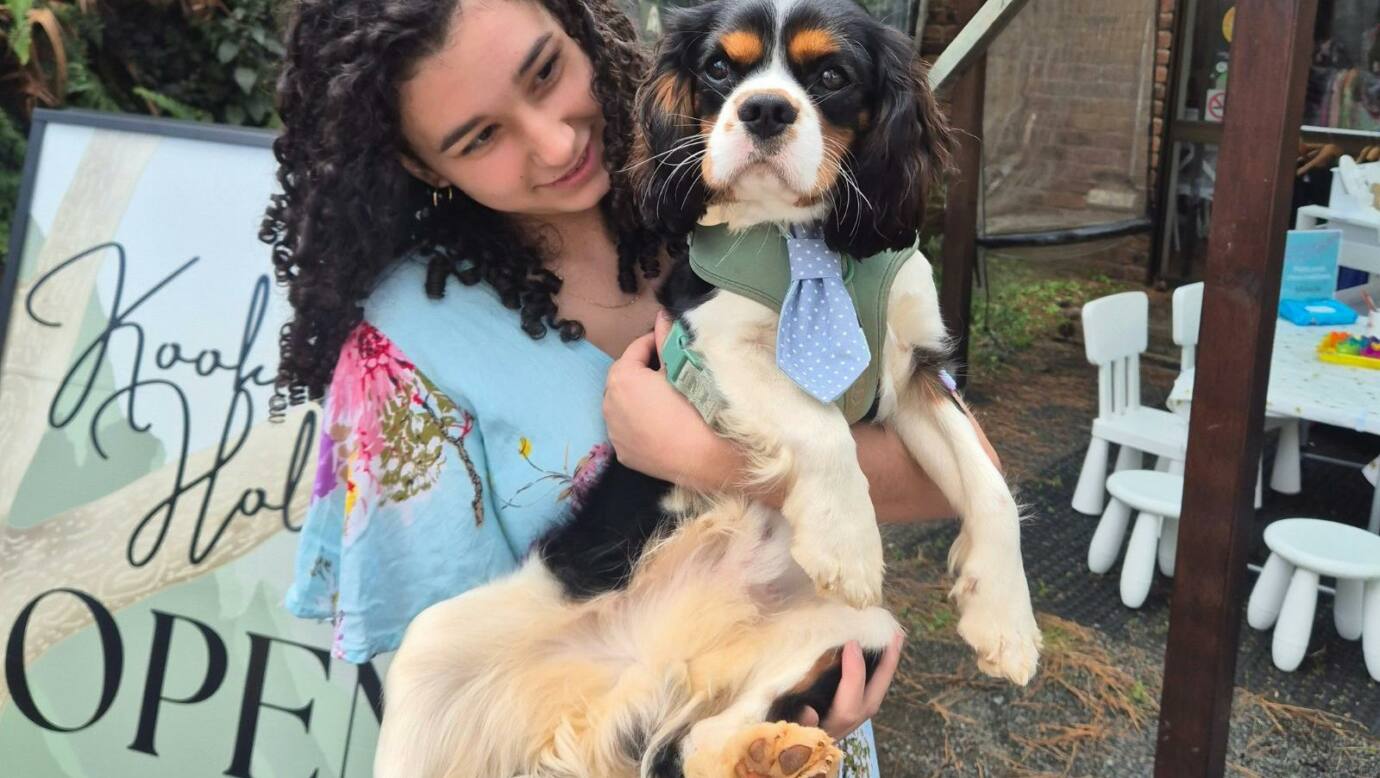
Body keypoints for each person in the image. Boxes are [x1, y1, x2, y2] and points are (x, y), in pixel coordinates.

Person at [264, 0, 1000, 773]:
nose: (553, 142)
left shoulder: (753, 190)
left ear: (577, 28)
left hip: (790, 713)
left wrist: (705, 458)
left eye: (545, 72)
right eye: (480, 137)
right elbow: (474, 667)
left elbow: (957, 469)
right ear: (420, 163)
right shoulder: (407, 340)